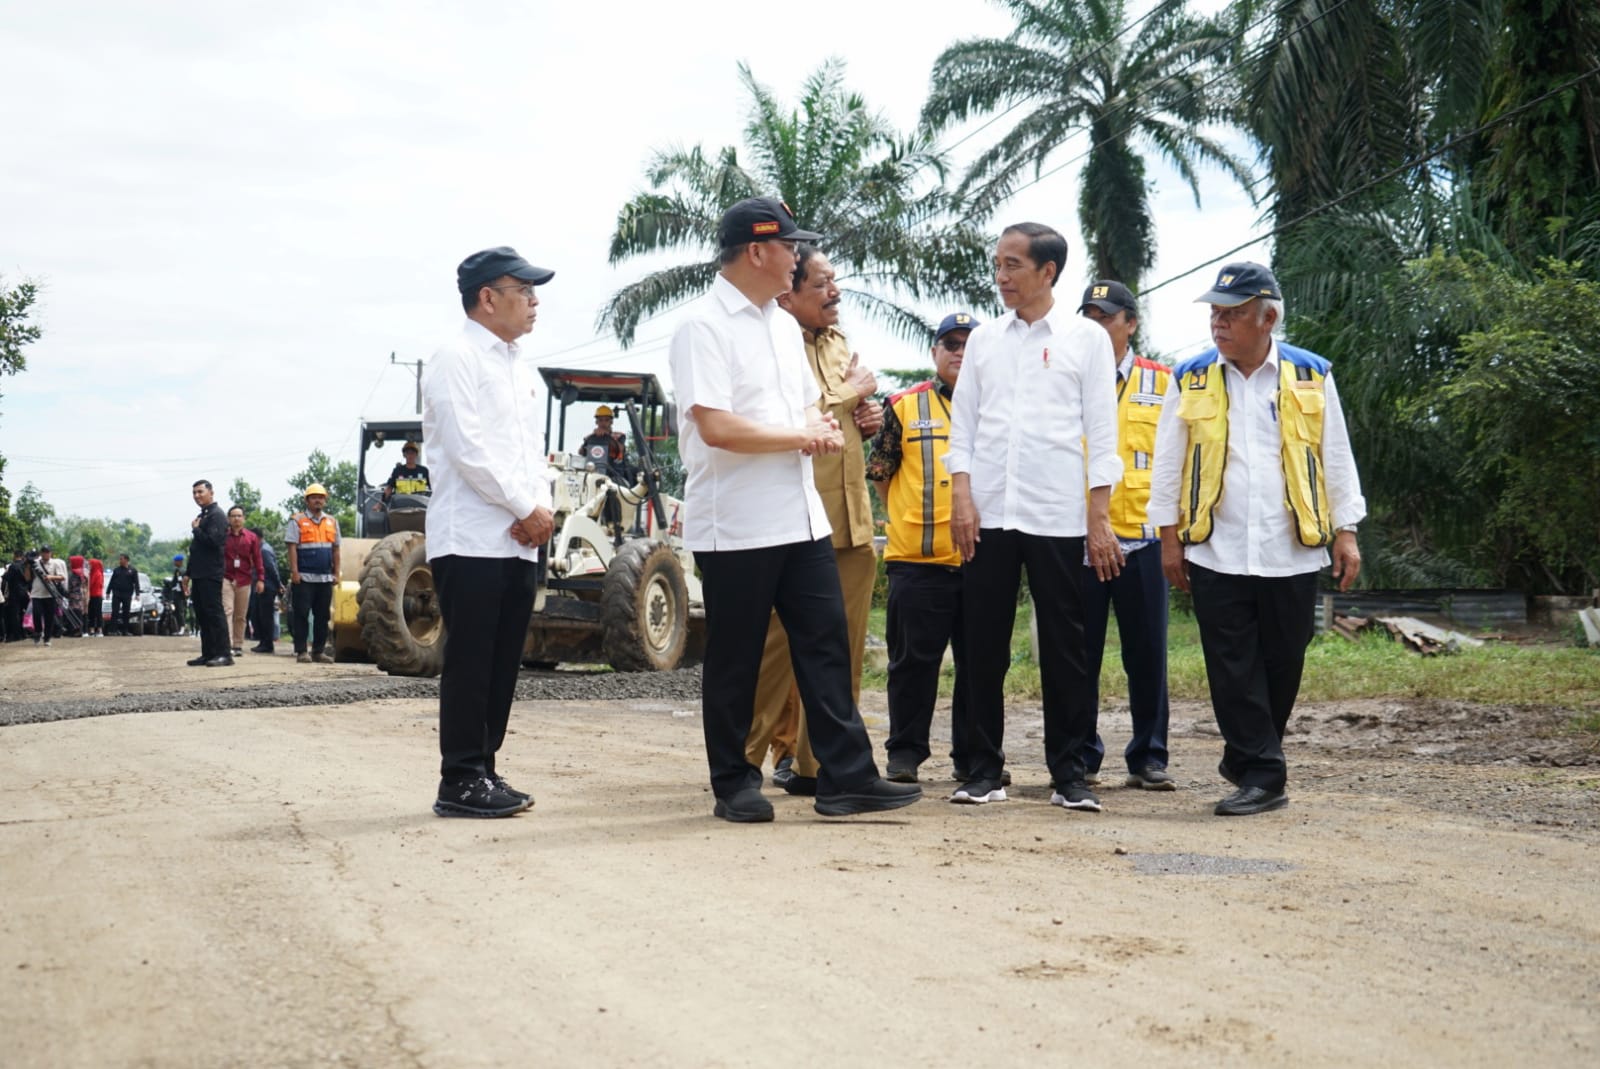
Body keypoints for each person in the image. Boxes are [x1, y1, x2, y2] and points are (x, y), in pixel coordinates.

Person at [668, 195, 920, 822]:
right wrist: (804, 436)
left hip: (801, 515)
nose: (798, 259)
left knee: (826, 645)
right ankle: (734, 783)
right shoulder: (702, 327)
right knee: (738, 655)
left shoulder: (782, 323)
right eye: (789, 247)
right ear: (757, 252)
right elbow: (717, 427)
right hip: (737, 523)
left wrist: (819, 425)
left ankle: (846, 778)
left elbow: (807, 406)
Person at [1150, 261, 1366, 817]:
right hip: (1216, 546)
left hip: (1291, 547)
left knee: (1283, 661)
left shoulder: (1311, 374)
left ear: (1268, 318)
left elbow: (1334, 455)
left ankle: (1247, 755)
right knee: (1230, 664)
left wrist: (1347, 533)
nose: (1219, 324)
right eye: (1215, 313)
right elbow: (1169, 464)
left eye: (1233, 314)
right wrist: (1168, 539)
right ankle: (1265, 775)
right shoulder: (1191, 376)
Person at [944, 222, 1124, 813]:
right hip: (989, 513)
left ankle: (1069, 774)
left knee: (1067, 650)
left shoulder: (1086, 339)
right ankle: (982, 770)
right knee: (982, 646)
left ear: (1048, 272)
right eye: (998, 264)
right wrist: (961, 497)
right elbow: (964, 425)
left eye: (1014, 265)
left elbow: (1103, 433)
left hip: (1057, 514)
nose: (1002, 276)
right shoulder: (986, 341)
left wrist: (1099, 519)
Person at [421, 245, 556, 819]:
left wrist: (540, 510)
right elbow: (467, 450)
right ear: (487, 297)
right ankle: (459, 777)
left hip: (518, 540)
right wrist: (526, 507)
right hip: (471, 537)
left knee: (503, 662)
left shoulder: (521, 367)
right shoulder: (455, 357)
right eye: (522, 290)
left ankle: (485, 767)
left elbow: (533, 455)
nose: (533, 300)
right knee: (472, 659)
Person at [744, 244, 884, 795]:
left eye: (835, 281)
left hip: (852, 516)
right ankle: (739, 761)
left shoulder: (837, 342)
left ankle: (818, 765)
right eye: (822, 284)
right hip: (797, 519)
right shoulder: (772, 341)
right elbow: (792, 412)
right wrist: (855, 393)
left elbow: (842, 414)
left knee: (844, 651)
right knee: (775, 648)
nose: (836, 293)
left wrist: (866, 417)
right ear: (789, 293)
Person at [867, 311, 979, 784]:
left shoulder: (1002, 406)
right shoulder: (903, 406)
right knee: (912, 664)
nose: (959, 352)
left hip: (981, 563)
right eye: (949, 344)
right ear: (934, 352)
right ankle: (905, 754)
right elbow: (881, 473)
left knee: (979, 666)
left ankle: (975, 758)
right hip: (917, 562)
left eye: (968, 344)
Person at [1076, 280, 1176, 791]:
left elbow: (1179, 461)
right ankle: (1081, 755)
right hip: (1080, 539)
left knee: (1147, 652)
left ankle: (1149, 757)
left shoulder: (1165, 382)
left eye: (1106, 316)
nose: (1096, 325)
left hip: (1143, 538)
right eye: (1088, 317)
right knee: (1079, 653)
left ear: (1130, 323)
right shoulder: (1066, 380)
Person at [285, 484, 341, 664]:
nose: (318, 500)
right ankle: (302, 651)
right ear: (307, 500)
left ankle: (318, 651)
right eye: (314, 497)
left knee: (322, 615)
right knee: (301, 614)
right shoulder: (297, 520)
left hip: (325, 577)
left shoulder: (332, 521)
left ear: (325, 500)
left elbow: (336, 549)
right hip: (304, 577)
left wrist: (336, 573)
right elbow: (292, 547)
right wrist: (294, 572)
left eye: (321, 497)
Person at [187, 480, 231, 666]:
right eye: (194, 493)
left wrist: (196, 530)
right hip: (198, 573)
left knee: (214, 614)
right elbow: (196, 549)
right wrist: (187, 573)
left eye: (200, 492)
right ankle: (208, 653)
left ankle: (223, 654)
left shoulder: (217, 516)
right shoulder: (204, 515)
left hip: (210, 573)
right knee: (202, 615)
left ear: (211, 492)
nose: (197, 496)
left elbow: (214, 542)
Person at [222, 506, 264, 657]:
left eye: (239, 516)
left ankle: (237, 644)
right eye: (233, 516)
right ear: (228, 519)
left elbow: (258, 559)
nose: (236, 519)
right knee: (227, 610)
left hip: (244, 579)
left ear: (244, 518)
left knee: (240, 614)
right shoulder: (223, 536)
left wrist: (260, 579)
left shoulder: (251, 537)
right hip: (226, 578)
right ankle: (226, 644)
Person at [248, 528, 283, 654]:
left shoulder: (264, 550)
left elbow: (272, 569)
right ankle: (263, 641)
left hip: (267, 586)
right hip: (260, 586)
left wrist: (279, 584)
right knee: (258, 615)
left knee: (266, 616)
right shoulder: (260, 549)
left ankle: (268, 644)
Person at [579, 406, 633, 481]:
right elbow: (581, 452)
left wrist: (607, 436)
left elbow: (621, 449)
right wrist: (589, 441)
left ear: (611, 422)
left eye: (606, 420)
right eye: (600, 420)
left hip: (615, 475)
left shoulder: (619, 436)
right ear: (596, 422)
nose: (603, 423)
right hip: (593, 473)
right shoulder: (589, 438)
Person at [29, 545, 69, 646]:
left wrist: (51, 577)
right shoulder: (35, 563)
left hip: (50, 594)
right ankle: (38, 632)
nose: (45, 554)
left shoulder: (55, 563)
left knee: (49, 617)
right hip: (36, 593)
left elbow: (62, 577)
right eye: (43, 552)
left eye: (47, 552)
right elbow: (28, 577)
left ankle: (47, 638)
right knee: (36, 614)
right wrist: (27, 565)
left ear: (50, 553)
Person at [108, 554, 139, 636]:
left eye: (121, 559)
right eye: (120, 559)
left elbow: (136, 583)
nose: (120, 561)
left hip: (127, 594)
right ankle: (113, 630)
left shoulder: (133, 570)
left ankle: (125, 631)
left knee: (126, 613)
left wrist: (137, 594)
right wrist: (108, 592)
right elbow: (111, 582)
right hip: (117, 594)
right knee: (115, 612)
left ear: (126, 560)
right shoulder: (116, 570)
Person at [3, 551, 29, 641]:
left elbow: (7, 577)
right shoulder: (25, 565)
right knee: (24, 612)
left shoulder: (13, 566)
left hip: (15, 593)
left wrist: (6, 572)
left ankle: (17, 635)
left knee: (15, 614)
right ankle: (24, 633)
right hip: (24, 592)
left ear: (15, 556)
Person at [168, 554, 189, 635]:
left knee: (180, 611)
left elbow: (182, 583)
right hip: (176, 593)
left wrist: (184, 594)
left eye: (175, 561)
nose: (174, 562)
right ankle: (180, 627)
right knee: (176, 611)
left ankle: (183, 628)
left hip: (180, 594)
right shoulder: (177, 570)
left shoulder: (182, 571)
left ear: (179, 562)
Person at [86, 558, 105, 636]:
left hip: (97, 596)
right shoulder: (92, 573)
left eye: (90, 564)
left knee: (98, 613)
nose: (89, 566)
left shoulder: (97, 573)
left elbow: (91, 584)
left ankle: (99, 629)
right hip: (92, 595)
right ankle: (92, 629)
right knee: (91, 613)